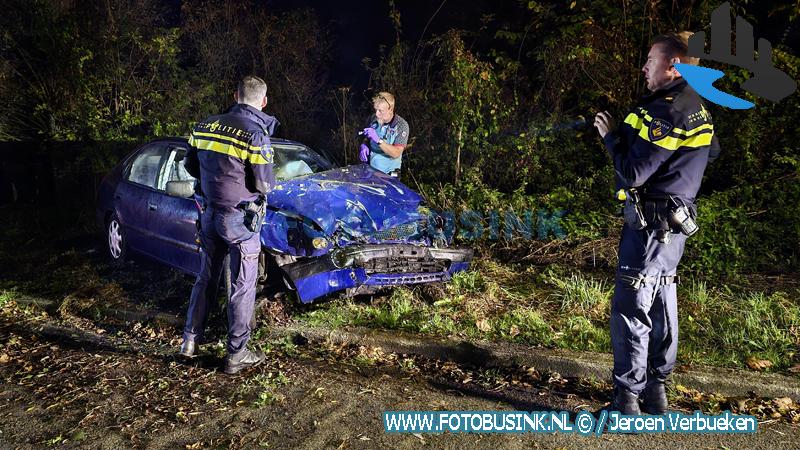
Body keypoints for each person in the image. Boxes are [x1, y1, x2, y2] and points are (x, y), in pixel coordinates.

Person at [593, 32, 720, 414]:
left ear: (673, 67)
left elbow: (633, 173)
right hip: (675, 224)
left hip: (650, 225)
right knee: (663, 300)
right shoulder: (696, 104)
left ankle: (626, 400)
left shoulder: (668, 110)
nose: (643, 66)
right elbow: (711, 152)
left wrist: (611, 138)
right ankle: (655, 393)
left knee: (632, 307)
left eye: (650, 59)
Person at [179, 75, 279, 375]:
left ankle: (190, 341)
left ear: (235, 95)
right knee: (242, 285)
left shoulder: (205, 125)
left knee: (205, 278)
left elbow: (190, 165)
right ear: (263, 102)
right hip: (239, 220)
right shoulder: (256, 134)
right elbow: (264, 184)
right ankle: (237, 353)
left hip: (208, 214)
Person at [359, 91, 410, 177]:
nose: (376, 114)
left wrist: (378, 140)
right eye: (375, 109)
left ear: (390, 109)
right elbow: (367, 137)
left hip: (389, 174)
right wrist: (364, 145)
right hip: (372, 171)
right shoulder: (373, 119)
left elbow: (396, 153)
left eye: (380, 111)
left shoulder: (401, 125)